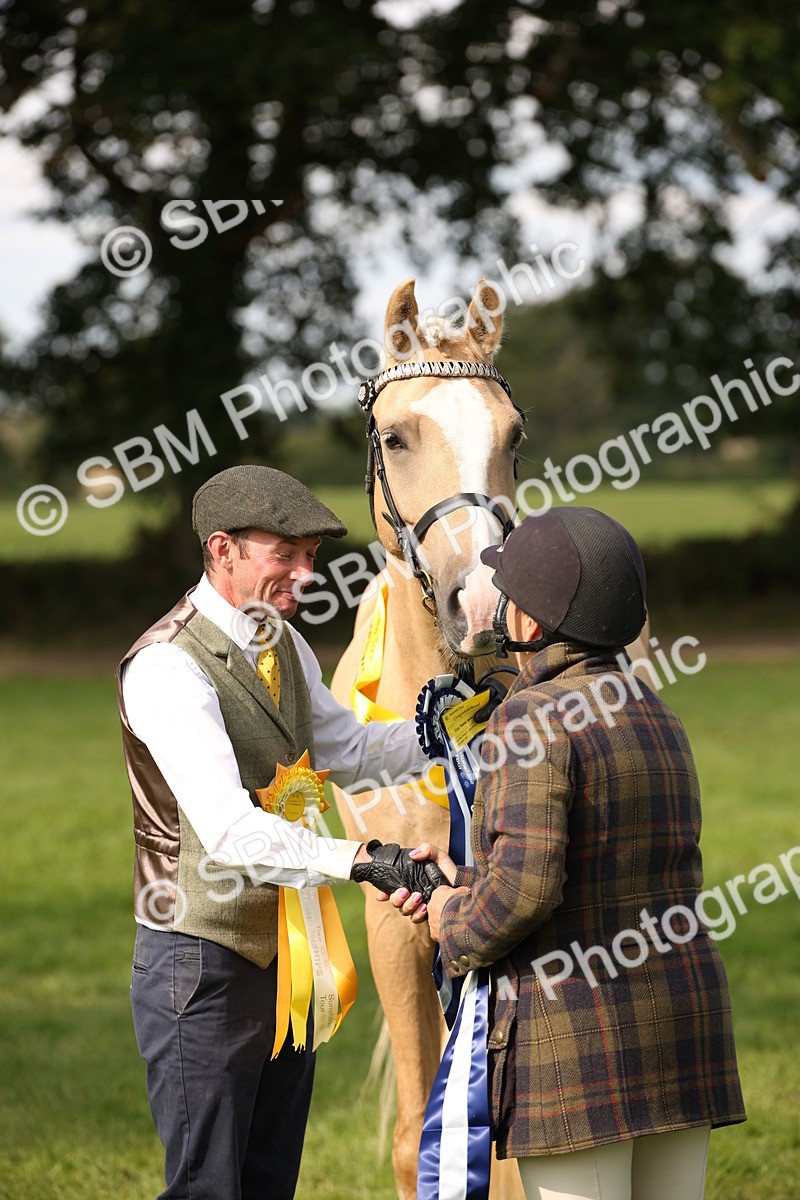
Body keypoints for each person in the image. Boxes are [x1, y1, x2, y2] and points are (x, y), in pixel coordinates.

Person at [387, 507, 746, 1200]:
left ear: (529, 623)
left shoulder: (530, 716)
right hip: (683, 1031)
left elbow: (523, 894)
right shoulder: (657, 711)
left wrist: (451, 916)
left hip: (579, 1043)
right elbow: (602, 866)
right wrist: (463, 878)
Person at [117, 464, 441, 1200]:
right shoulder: (167, 666)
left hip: (286, 963)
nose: (306, 574)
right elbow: (232, 832)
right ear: (222, 550)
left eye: (312, 556)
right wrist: (364, 858)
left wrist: (451, 726)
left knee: (268, 1184)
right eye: (286, 554)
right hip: (198, 961)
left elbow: (349, 751)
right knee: (209, 1188)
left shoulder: (282, 643)